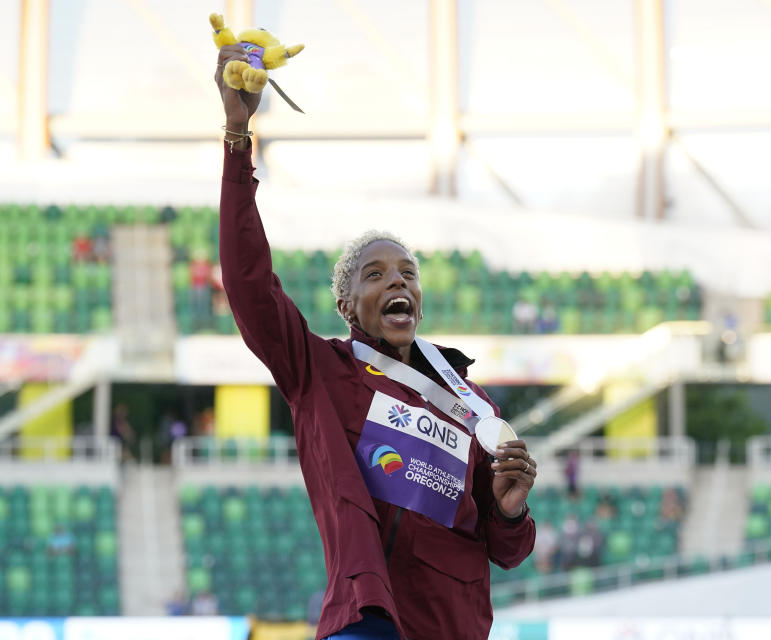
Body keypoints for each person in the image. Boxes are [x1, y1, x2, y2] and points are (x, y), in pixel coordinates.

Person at [214, 45, 537, 640]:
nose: (397, 281)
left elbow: (506, 550)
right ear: (347, 306)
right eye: (376, 274)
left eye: (408, 273)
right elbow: (248, 282)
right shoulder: (320, 371)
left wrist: (510, 508)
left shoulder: (475, 406)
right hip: (371, 619)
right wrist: (239, 135)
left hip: (457, 628)